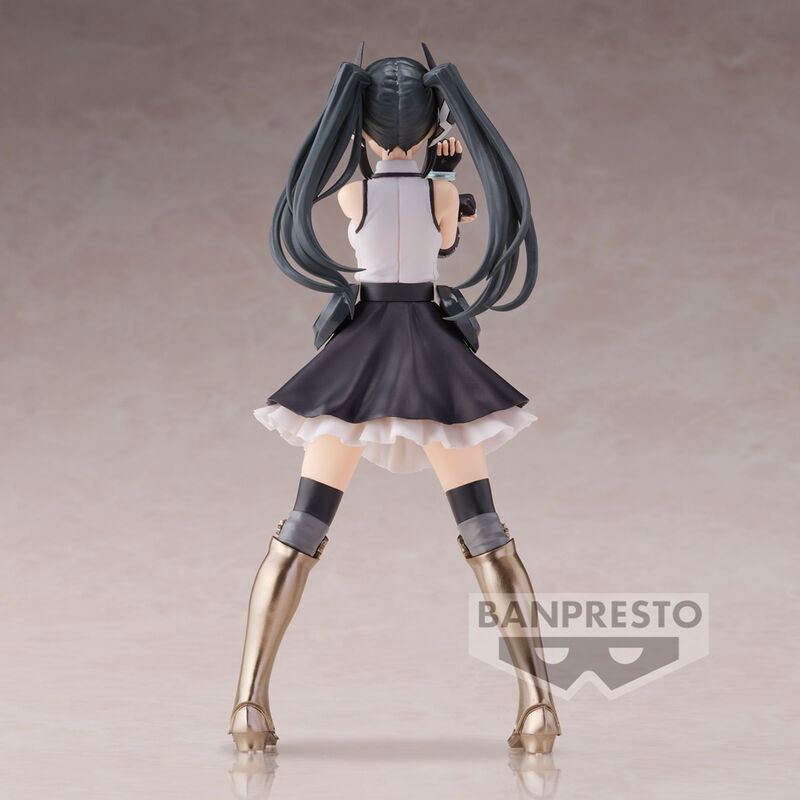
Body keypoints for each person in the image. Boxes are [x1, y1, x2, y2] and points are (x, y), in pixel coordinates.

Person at [228, 44, 561, 756]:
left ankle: (248, 705)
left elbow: (375, 230)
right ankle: (539, 708)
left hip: (361, 356)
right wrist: (446, 182)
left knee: (301, 525)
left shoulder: (353, 194)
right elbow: (445, 240)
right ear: (437, 124)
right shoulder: (441, 192)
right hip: (431, 354)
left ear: (361, 129)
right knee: (485, 529)